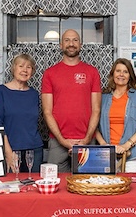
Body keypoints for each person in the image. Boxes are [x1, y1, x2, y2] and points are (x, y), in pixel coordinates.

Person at [41, 29, 101, 172]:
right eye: (67, 40)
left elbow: (96, 109)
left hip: (86, 140)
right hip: (57, 141)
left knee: (87, 186)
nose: (71, 44)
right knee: (56, 186)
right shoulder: (49, 73)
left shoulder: (92, 72)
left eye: (75, 40)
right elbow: (47, 112)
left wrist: (86, 140)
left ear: (80, 44)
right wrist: (62, 141)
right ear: (61, 45)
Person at [95, 59, 136, 173]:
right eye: (118, 71)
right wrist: (103, 144)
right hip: (105, 156)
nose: (121, 74)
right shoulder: (102, 97)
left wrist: (127, 145)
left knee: (134, 189)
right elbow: (93, 123)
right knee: (107, 188)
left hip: (132, 155)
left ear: (130, 75)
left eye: (125, 72)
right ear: (113, 74)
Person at [0, 54, 44, 173]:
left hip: (34, 150)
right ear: (13, 68)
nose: (25, 70)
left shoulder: (34, 94)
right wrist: (8, 151)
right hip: (12, 149)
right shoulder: (1, 91)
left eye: (29, 67)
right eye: (21, 66)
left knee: (33, 188)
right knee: (13, 188)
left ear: (33, 71)